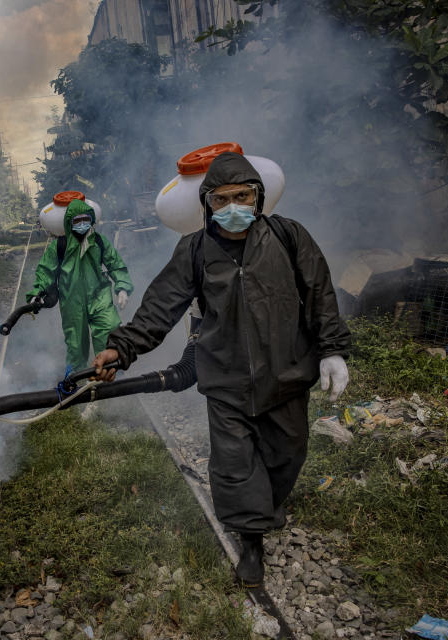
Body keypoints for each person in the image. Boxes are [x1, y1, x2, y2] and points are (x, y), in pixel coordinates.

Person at [91, 152, 351, 587]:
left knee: (287, 455)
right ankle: (251, 542)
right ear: (208, 204)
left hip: (287, 374)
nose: (234, 207)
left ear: (258, 197)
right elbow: (160, 307)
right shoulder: (194, 249)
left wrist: (332, 350)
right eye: (223, 199)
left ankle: (267, 505)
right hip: (226, 378)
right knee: (235, 466)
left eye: (243, 196)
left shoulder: (289, 236)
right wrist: (122, 348)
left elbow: (320, 292)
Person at [27, 197, 134, 375]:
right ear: (70, 223)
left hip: (100, 296)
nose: (83, 224)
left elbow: (115, 264)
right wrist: (37, 291)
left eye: (86, 219)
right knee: (76, 344)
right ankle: (75, 379)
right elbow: (45, 271)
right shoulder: (59, 246)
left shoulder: (98, 241)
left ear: (92, 219)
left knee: (109, 331)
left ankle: (112, 373)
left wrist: (122, 286)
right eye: (77, 221)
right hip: (72, 301)